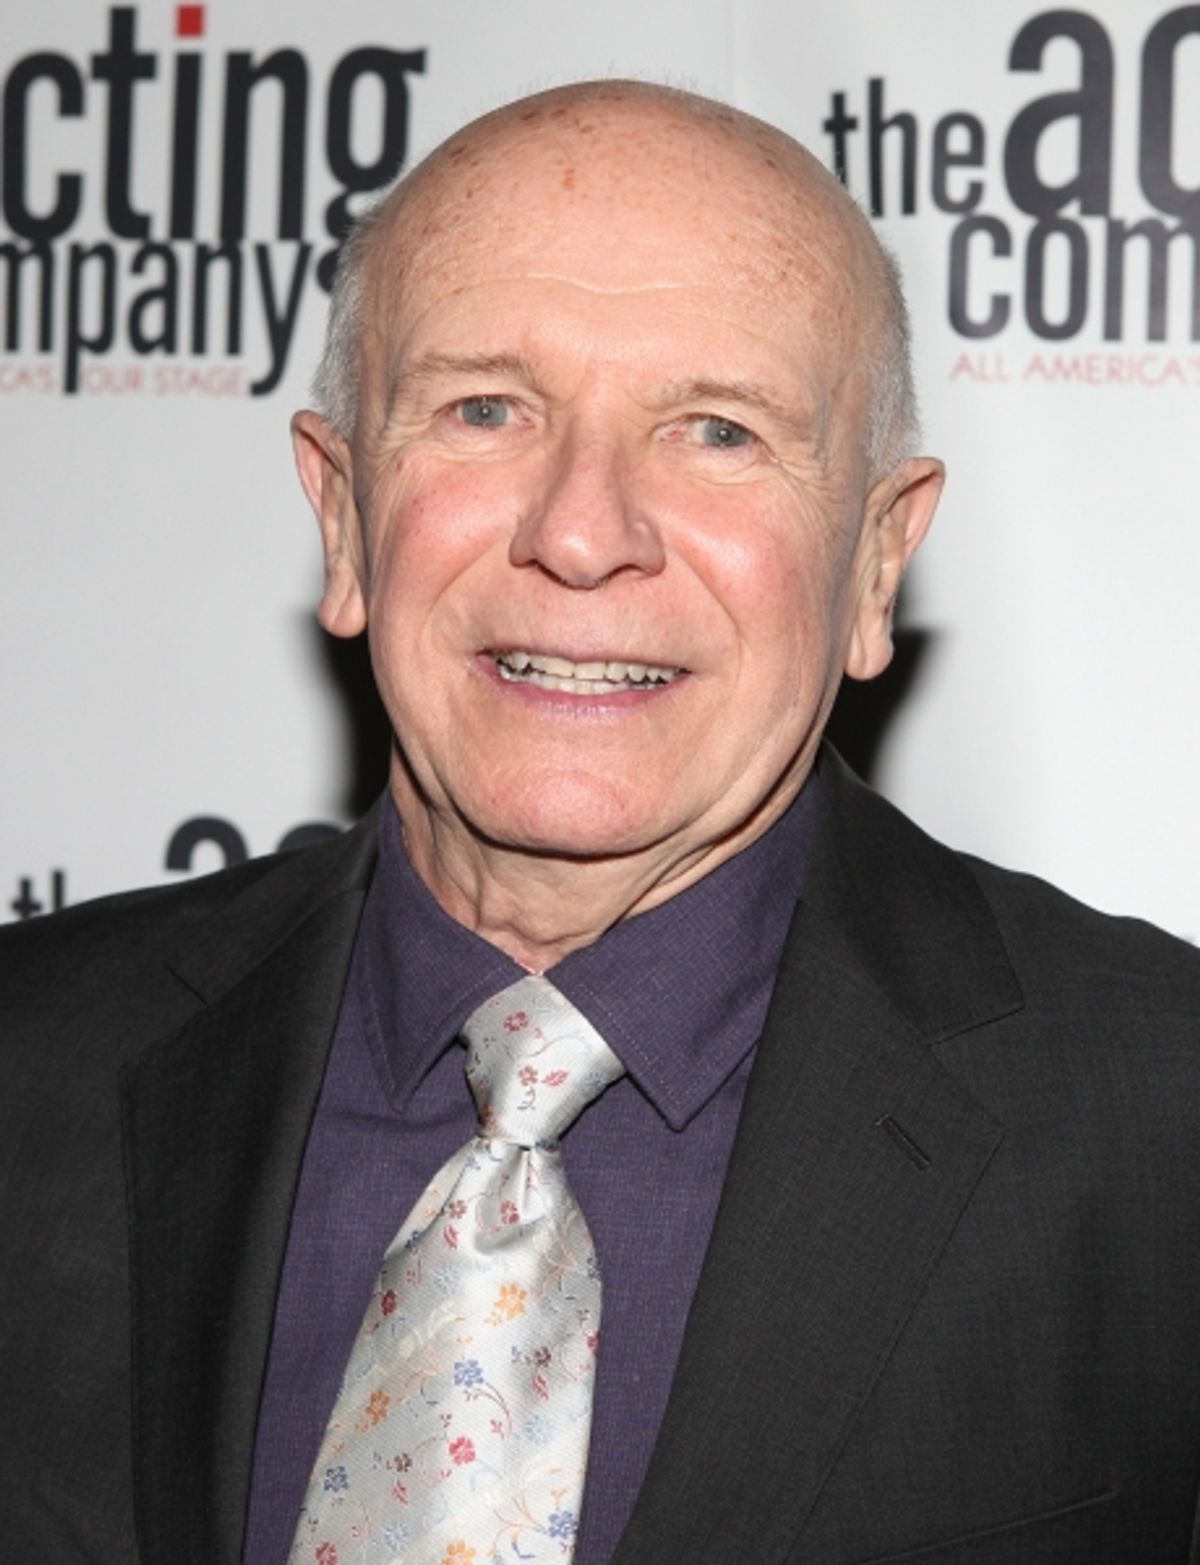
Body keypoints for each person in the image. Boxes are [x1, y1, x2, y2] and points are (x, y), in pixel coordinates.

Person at [2, 78, 1199, 1565]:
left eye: (716, 430)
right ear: (342, 514)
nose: (580, 530)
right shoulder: (27, 1060)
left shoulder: (1166, 1126)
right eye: (487, 407)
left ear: (878, 563)